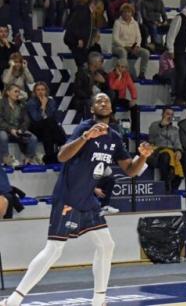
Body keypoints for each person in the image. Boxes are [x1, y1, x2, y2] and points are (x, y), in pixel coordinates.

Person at [0, 93, 152, 306]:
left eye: (106, 100)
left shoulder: (115, 137)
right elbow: (62, 156)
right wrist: (85, 137)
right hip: (68, 196)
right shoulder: (84, 128)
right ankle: (14, 300)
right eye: (98, 101)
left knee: (107, 244)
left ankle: (99, 300)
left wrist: (143, 156)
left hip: (88, 200)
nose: (103, 103)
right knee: (54, 250)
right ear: (92, 109)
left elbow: (129, 170)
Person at [26, 82, 66, 165]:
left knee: (48, 130)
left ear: (46, 91)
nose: (40, 92)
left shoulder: (51, 101)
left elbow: (53, 116)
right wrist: (43, 106)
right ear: (34, 92)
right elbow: (36, 118)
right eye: (38, 90)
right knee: (49, 124)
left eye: (42, 89)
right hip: (34, 127)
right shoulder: (31, 102)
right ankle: (62, 145)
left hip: (47, 128)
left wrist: (46, 106)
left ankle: (49, 157)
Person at [0, 85, 39, 167]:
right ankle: (5, 160)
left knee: (33, 138)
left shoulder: (21, 104)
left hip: (18, 130)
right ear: (8, 93)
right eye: (15, 91)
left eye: (19, 91)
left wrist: (21, 129)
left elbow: (26, 120)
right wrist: (10, 130)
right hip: (4, 129)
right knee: (2, 136)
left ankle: (28, 160)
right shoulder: (1, 103)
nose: (18, 94)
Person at [148, 108, 183, 193]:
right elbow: (151, 140)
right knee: (166, 156)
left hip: (172, 151)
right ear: (163, 114)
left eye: (171, 115)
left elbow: (177, 143)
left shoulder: (174, 129)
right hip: (158, 151)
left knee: (182, 158)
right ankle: (165, 183)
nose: (169, 116)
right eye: (167, 114)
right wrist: (161, 126)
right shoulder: (154, 125)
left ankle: (174, 184)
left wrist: (179, 151)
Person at [111, 3, 150, 80]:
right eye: (124, 12)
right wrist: (125, 46)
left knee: (146, 53)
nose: (126, 14)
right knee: (123, 52)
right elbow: (115, 39)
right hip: (119, 46)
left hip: (132, 46)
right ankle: (125, 73)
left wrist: (136, 46)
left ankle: (142, 73)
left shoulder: (135, 23)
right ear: (121, 13)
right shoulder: (117, 23)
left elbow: (138, 37)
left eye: (128, 12)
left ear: (132, 13)